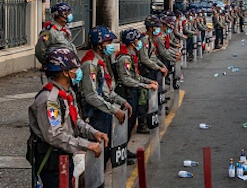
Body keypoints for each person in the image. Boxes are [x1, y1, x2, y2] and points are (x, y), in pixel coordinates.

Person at [28, 47, 108, 188]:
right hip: (52, 162)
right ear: (65, 72)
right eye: (75, 68)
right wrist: (86, 144)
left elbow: (75, 120)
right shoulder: (49, 100)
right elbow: (54, 135)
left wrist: (94, 133)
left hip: (65, 156)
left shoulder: (66, 93)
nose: (79, 71)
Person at [79, 26, 131, 165]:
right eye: (107, 43)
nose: (110, 46)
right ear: (98, 44)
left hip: (104, 111)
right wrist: (115, 110)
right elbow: (91, 96)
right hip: (95, 114)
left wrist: (122, 102)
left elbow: (106, 91)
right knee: (98, 155)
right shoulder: (90, 64)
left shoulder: (101, 61)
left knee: (106, 150)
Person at [114, 29, 159, 164]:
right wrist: (145, 86)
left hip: (132, 91)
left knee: (131, 122)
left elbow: (136, 76)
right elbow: (126, 79)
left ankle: (125, 150)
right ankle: (120, 153)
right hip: (126, 92)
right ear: (133, 43)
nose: (140, 42)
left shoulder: (131, 55)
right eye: (138, 40)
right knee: (125, 125)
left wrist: (148, 81)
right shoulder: (124, 58)